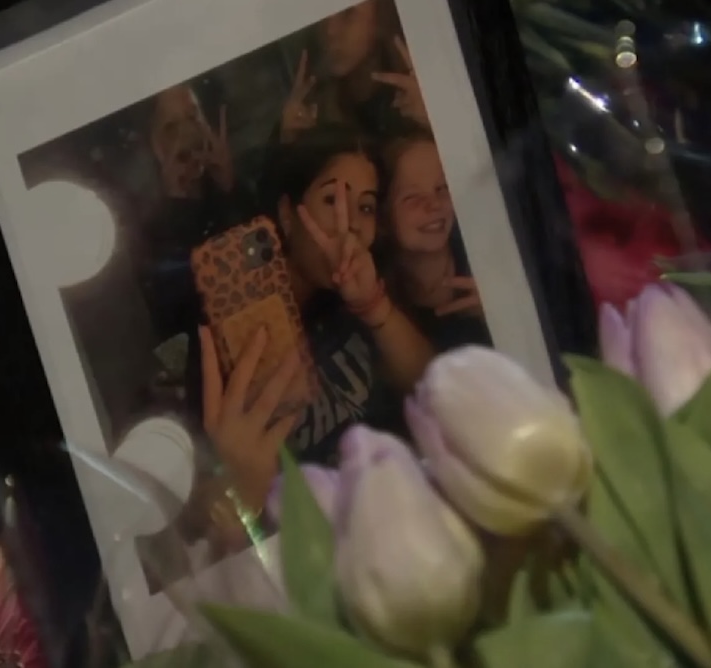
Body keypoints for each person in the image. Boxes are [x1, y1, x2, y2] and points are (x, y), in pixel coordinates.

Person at [178, 127, 435, 547]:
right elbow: (206, 525)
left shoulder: (360, 305)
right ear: (286, 215)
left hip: (404, 516)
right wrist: (242, 493)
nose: (347, 224)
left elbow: (433, 385)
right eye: (331, 200)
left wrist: (372, 304)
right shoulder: (226, 347)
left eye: (365, 207)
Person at [133, 84, 253, 344]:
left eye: (192, 117)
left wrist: (230, 188)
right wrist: (178, 204)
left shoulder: (233, 186)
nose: (187, 134)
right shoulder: (153, 235)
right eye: (171, 128)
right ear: (155, 146)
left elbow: (265, 258)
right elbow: (175, 327)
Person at [378, 129, 491, 349]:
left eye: (442, 187)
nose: (434, 204)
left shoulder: (490, 257)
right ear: (382, 217)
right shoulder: (381, 297)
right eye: (412, 197)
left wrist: (500, 315)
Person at [279, 0, 427, 143]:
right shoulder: (315, 104)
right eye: (321, 16)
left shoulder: (416, 85)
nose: (330, 31)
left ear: (380, 18)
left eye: (347, 12)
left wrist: (434, 117)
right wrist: (289, 143)